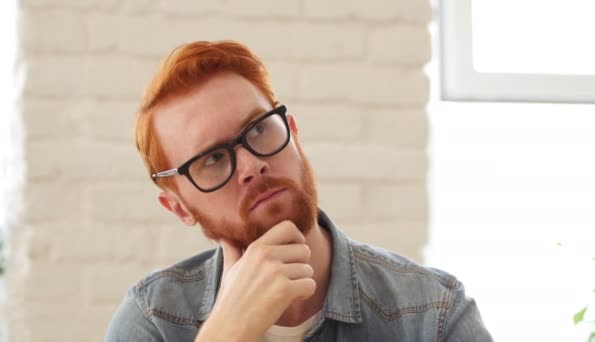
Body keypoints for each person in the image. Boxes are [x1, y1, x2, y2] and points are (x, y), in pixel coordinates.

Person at [105, 40, 493, 342]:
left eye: (258, 129)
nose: (251, 165)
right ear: (179, 208)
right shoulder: (152, 320)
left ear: (293, 131)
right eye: (213, 159)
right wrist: (227, 332)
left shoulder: (432, 312)